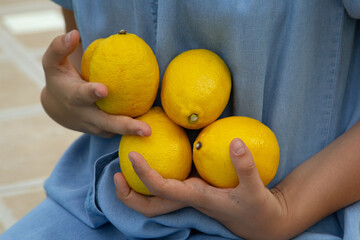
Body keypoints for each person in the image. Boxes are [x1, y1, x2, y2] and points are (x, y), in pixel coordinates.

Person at [1, 1, 360, 239]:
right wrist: (62, 100)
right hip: (107, 205)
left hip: (308, 216)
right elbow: (82, 54)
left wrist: (287, 206)